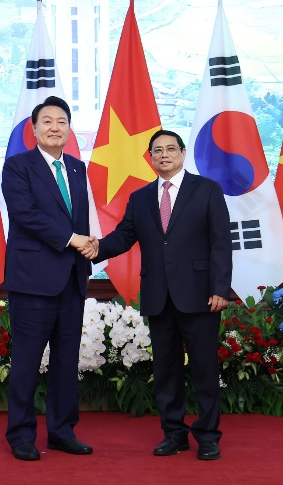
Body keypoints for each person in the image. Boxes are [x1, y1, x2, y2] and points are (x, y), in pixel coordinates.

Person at [86, 130, 231, 460]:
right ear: (150, 158)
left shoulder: (207, 190)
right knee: (166, 370)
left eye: (170, 149)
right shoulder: (140, 198)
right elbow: (123, 237)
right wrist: (94, 248)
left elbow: (221, 243)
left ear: (182, 153)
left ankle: (208, 436)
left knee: (205, 370)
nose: (164, 154)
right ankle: (174, 434)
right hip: (158, 295)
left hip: (201, 296)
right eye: (157, 151)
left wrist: (220, 288)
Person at [2, 95, 97, 461]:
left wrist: (87, 246)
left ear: (69, 129)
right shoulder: (17, 166)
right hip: (32, 280)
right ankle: (21, 435)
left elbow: (79, 219)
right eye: (47, 121)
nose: (55, 127)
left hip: (72, 278)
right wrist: (72, 239)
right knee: (27, 360)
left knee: (65, 361)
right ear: (35, 128)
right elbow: (25, 215)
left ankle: (61, 431)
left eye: (61, 121)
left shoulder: (76, 167)